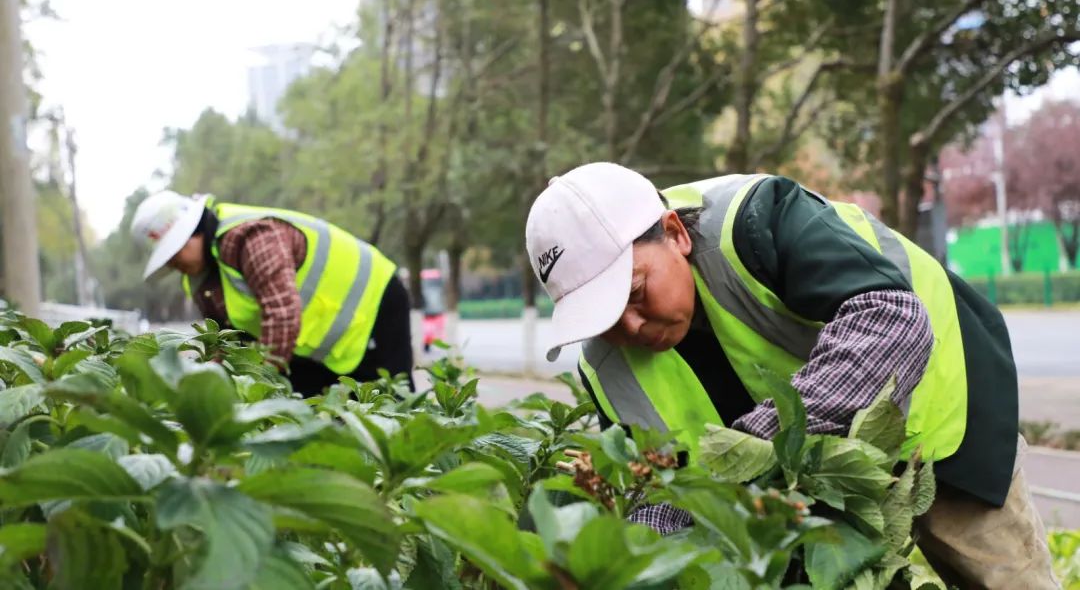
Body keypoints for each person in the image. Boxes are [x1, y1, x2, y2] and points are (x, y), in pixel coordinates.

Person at [525, 162, 1054, 588]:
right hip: (803, 497)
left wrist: (751, 448)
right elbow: (655, 492)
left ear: (674, 234)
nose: (632, 326)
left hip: (937, 424)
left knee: (1006, 576)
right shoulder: (605, 367)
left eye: (635, 293)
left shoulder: (757, 221)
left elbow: (891, 320)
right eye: (604, 319)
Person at [131, 190, 414, 396]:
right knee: (305, 413)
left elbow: (282, 315)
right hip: (317, 340)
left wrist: (258, 387)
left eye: (174, 253)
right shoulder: (199, 279)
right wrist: (206, 384)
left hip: (375, 300)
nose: (173, 264)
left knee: (392, 399)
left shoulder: (252, 238)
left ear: (193, 231)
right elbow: (228, 342)